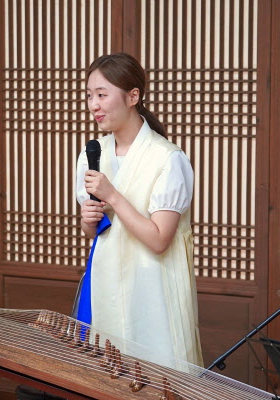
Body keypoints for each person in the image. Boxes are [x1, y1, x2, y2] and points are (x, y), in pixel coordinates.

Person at [75, 53, 203, 368]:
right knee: (106, 375)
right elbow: (97, 232)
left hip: (152, 289)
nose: (94, 105)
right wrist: (87, 220)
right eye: (89, 95)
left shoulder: (167, 158)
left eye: (102, 95)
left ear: (133, 96)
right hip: (106, 284)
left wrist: (112, 196)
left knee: (158, 375)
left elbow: (159, 240)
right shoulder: (92, 153)